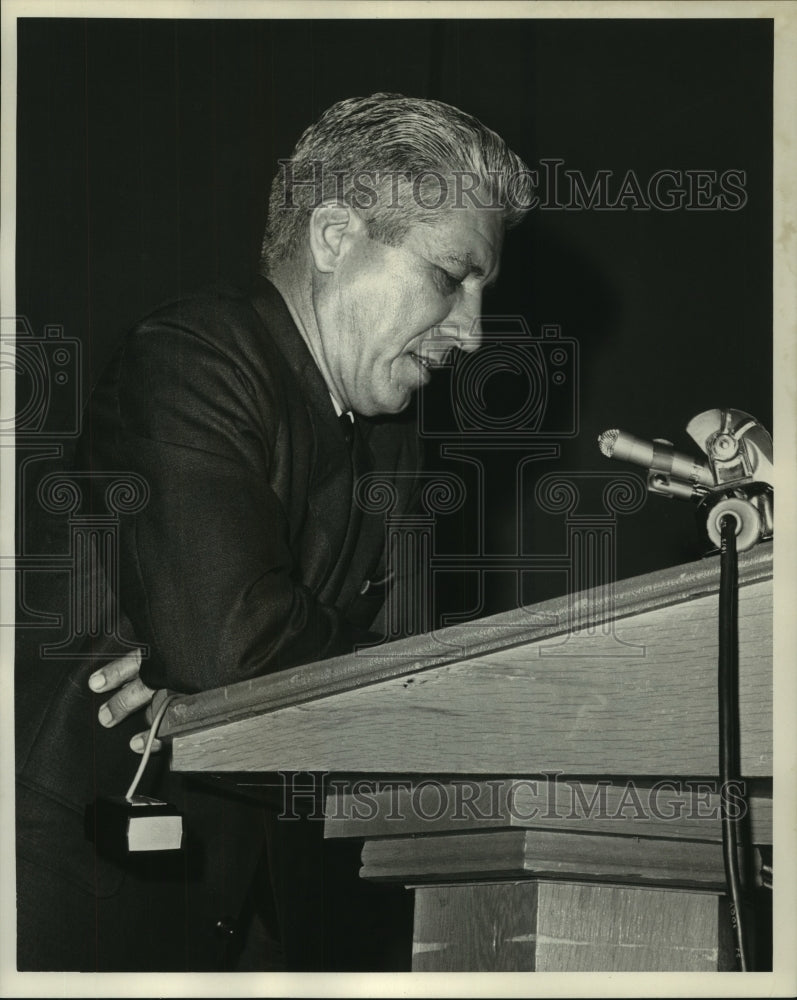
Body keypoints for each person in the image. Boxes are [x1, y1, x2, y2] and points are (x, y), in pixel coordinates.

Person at [15, 93, 533, 971]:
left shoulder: (390, 432)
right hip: (72, 902)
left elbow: (363, 667)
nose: (472, 333)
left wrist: (249, 661)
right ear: (335, 237)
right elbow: (234, 649)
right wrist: (238, 659)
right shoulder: (193, 355)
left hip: (253, 915)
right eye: (451, 277)